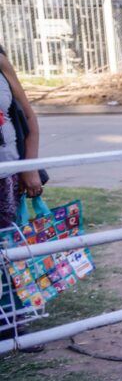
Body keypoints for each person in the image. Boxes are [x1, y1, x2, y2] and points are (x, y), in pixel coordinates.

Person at [0, 46, 45, 328]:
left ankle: (12, 322)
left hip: (7, 175)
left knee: (9, 248)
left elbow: (28, 117)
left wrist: (30, 167)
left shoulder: (1, 64)